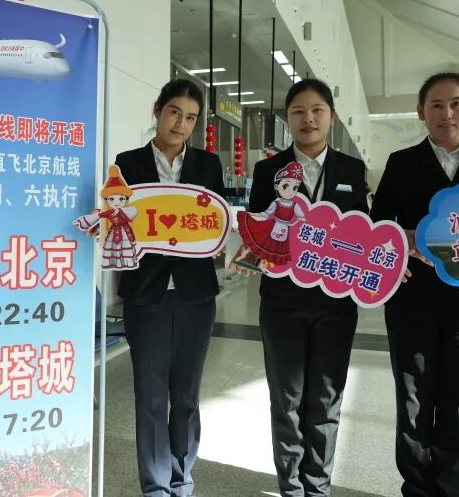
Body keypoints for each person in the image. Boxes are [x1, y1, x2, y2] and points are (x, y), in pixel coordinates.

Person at [370, 72, 459, 497]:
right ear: (420, 112)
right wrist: (403, 240)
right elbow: (379, 226)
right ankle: (415, 489)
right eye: (436, 105)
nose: (447, 113)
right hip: (413, 300)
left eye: (456, 104)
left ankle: (449, 490)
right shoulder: (400, 163)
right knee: (413, 401)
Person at [246, 78, 368, 496]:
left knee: (326, 399)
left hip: (337, 304)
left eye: (317, 110)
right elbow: (258, 229)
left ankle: (317, 486)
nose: (308, 118)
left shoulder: (352, 170)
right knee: (287, 399)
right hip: (282, 303)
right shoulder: (269, 171)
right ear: (288, 119)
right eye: (299, 111)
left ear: (331, 116)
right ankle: (291, 487)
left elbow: (365, 231)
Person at [114, 79, 224, 497]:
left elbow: (216, 223)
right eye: (174, 112)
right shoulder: (127, 164)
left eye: (191, 117)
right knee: (150, 395)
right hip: (147, 294)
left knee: (187, 394)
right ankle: (156, 485)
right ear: (158, 110)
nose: (181, 124)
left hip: (196, 294)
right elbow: (116, 221)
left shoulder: (208, 165)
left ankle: (182, 477)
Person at [75, 164, 139, 269]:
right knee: (112, 247)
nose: (116, 202)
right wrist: (86, 222)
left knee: (125, 247)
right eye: (111, 199)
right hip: (113, 231)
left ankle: (126, 262)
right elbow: (98, 216)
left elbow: (134, 211)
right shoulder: (127, 162)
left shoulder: (127, 211)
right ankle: (116, 262)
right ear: (107, 200)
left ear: (126, 199)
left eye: (121, 199)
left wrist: (117, 211)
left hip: (125, 231)